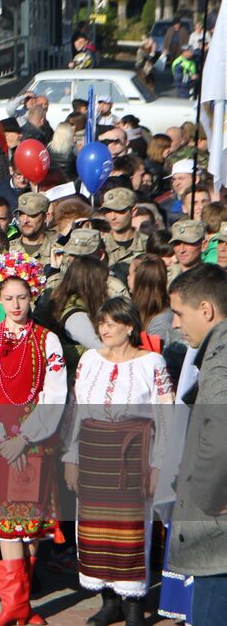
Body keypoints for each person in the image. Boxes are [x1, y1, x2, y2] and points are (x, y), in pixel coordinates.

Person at [0, 252, 67, 626]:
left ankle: (21, 606)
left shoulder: (47, 341)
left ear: (32, 296)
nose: (16, 304)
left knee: (30, 522)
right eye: (8, 298)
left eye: (22, 296)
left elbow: (54, 394)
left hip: (34, 441)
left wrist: (24, 437)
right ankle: (15, 607)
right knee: (5, 522)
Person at [62, 296, 174, 626]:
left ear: (129, 327)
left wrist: (158, 464)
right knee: (96, 529)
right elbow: (75, 410)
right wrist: (71, 457)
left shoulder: (151, 363)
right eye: (102, 323)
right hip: (94, 452)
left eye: (112, 323)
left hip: (134, 453)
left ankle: (134, 603)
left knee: (133, 528)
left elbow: (165, 416)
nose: (104, 329)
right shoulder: (89, 361)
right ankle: (108, 600)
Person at [166, 265, 227, 626]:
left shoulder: (220, 363)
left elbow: (219, 440)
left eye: (178, 313)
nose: (175, 324)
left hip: (218, 537)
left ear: (206, 310)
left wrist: (203, 499)